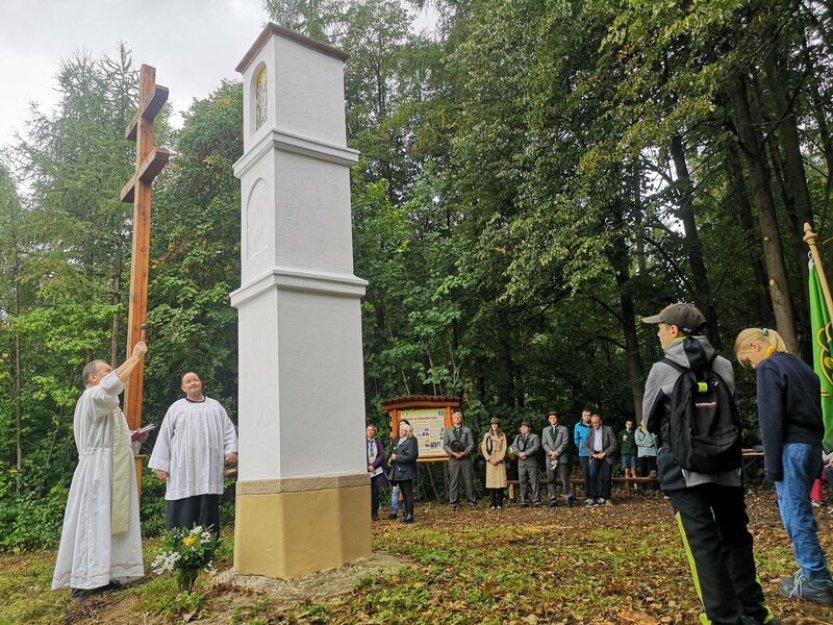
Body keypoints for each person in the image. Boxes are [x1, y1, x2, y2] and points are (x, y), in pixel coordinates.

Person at [643, 303, 777, 625]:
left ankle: (722, 617)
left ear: (674, 330)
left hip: (684, 470)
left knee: (702, 544)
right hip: (727, 467)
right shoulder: (724, 365)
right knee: (735, 538)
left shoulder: (662, 369)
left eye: (660, 326)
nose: (658, 331)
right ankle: (755, 613)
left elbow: (648, 421)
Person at [735, 327, 833, 605]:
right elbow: (814, 410)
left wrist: (772, 463)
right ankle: (813, 571)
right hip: (811, 445)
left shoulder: (768, 366)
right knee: (800, 510)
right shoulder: (802, 367)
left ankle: (815, 577)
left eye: (748, 361)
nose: (752, 367)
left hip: (790, 448)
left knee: (794, 513)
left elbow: (771, 419)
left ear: (755, 346)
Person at [52, 342, 149, 598]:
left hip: (112, 469)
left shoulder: (109, 406)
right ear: (93, 377)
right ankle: (85, 582)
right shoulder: (91, 396)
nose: (112, 373)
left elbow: (114, 438)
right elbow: (110, 386)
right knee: (93, 521)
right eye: (107, 370)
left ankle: (109, 573)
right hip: (97, 471)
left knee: (110, 523)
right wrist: (135, 358)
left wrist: (134, 436)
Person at [148, 371, 238, 534]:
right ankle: (179, 548)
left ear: (201, 383)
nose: (193, 383)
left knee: (207, 507)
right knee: (184, 508)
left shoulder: (215, 406)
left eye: (195, 380)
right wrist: (161, 466)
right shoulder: (176, 408)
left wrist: (231, 449)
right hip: (183, 469)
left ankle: (207, 547)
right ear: (183, 388)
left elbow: (228, 430)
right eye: (188, 382)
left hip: (209, 467)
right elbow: (164, 437)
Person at [442, 409, 477, 510]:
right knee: (454, 481)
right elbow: (445, 445)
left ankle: (471, 501)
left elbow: (471, 444)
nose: (457, 419)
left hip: (465, 459)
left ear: (461, 419)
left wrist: (464, 453)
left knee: (468, 480)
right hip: (453, 460)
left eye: (459, 417)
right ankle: (453, 502)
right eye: (455, 417)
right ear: (452, 419)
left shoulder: (467, 430)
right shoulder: (448, 431)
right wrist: (452, 453)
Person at [584, 414, 617, 506]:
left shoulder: (608, 429)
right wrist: (594, 454)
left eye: (596, 422)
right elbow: (585, 446)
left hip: (606, 456)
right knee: (592, 475)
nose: (595, 424)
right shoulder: (590, 431)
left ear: (600, 421)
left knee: (606, 477)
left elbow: (614, 445)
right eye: (593, 422)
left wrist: (604, 453)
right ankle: (593, 498)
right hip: (595, 456)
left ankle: (607, 498)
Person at [389, 422, 419, 523]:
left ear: (407, 432)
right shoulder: (399, 441)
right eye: (400, 430)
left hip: (407, 471)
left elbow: (411, 456)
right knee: (404, 494)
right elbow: (395, 454)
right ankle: (406, 514)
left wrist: (397, 457)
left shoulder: (410, 441)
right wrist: (392, 459)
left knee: (408, 493)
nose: (401, 432)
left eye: (403, 431)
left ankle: (410, 515)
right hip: (398, 471)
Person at [542, 411, 571, 507]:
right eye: (551, 418)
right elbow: (544, 443)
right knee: (551, 479)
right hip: (549, 457)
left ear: (557, 418)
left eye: (554, 418)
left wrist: (557, 452)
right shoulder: (545, 430)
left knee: (564, 479)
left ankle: (567, 498)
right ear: (548, 420)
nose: (553, 420)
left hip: (562, 457)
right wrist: (551, 452)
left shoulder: (564, 429)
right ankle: (553, 499)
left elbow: (565, 442)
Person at [512, 420, 541, 507]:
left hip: (531, 461)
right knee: (522, 481)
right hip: (521, 462)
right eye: (522, 427)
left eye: (525, 427)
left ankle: (536, 500)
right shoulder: (518, 437)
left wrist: (525, 453)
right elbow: (513, 447)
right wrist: (519, 453)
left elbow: (536, 447)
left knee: (534, 482)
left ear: (529, 428)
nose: (523, 429)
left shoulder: (535, 437)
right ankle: (524, 500)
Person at [481, 417, 508, 509]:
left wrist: (500, 458)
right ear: (491, 425)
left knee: (500, 483)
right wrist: (489, 459)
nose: (494, 426)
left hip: (499, 460)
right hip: (491, 460)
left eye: (496, 424)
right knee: (491, 483)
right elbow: (483, 448)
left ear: (498, 425)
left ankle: (499, 503)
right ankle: (492, 503)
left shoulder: (502, 435)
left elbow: (504, 448)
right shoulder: (487, 435)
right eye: (493, 424)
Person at [388, 419, 409, 519]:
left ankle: (406, 511)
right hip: (396, 469)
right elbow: (392, 453)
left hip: (407, 469)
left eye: (404, 425)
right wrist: (390, 460)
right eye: (400, 426)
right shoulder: (395, 440)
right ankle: (393, 512)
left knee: (406, 491)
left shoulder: (411, 440)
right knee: (395, 491)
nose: (402, 428)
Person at [366, 424, 389, 521]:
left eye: (372, 430)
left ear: (375, 432)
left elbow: (382, 455)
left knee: (375, 493)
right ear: (366, 432)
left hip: (376, 471)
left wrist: (373, 465)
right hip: (366, 471)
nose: (370, 431)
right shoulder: (363, 442)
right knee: (367, 493)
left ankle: (374, 513)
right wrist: (368, 466)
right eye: (368, 430)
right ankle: (366, 513)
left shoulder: (378, 442)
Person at [573, 409, 592, 503]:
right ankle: (588, 496)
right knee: (586, 474)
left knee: (594, 474)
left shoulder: (594, 424)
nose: (587, 417)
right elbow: (576, 439)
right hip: (583, 454)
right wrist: (581, 447)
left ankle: (596, 495)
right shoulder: (577, 425)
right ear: (582, 416)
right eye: (585, 415)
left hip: (594, 454)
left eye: (588, 415)